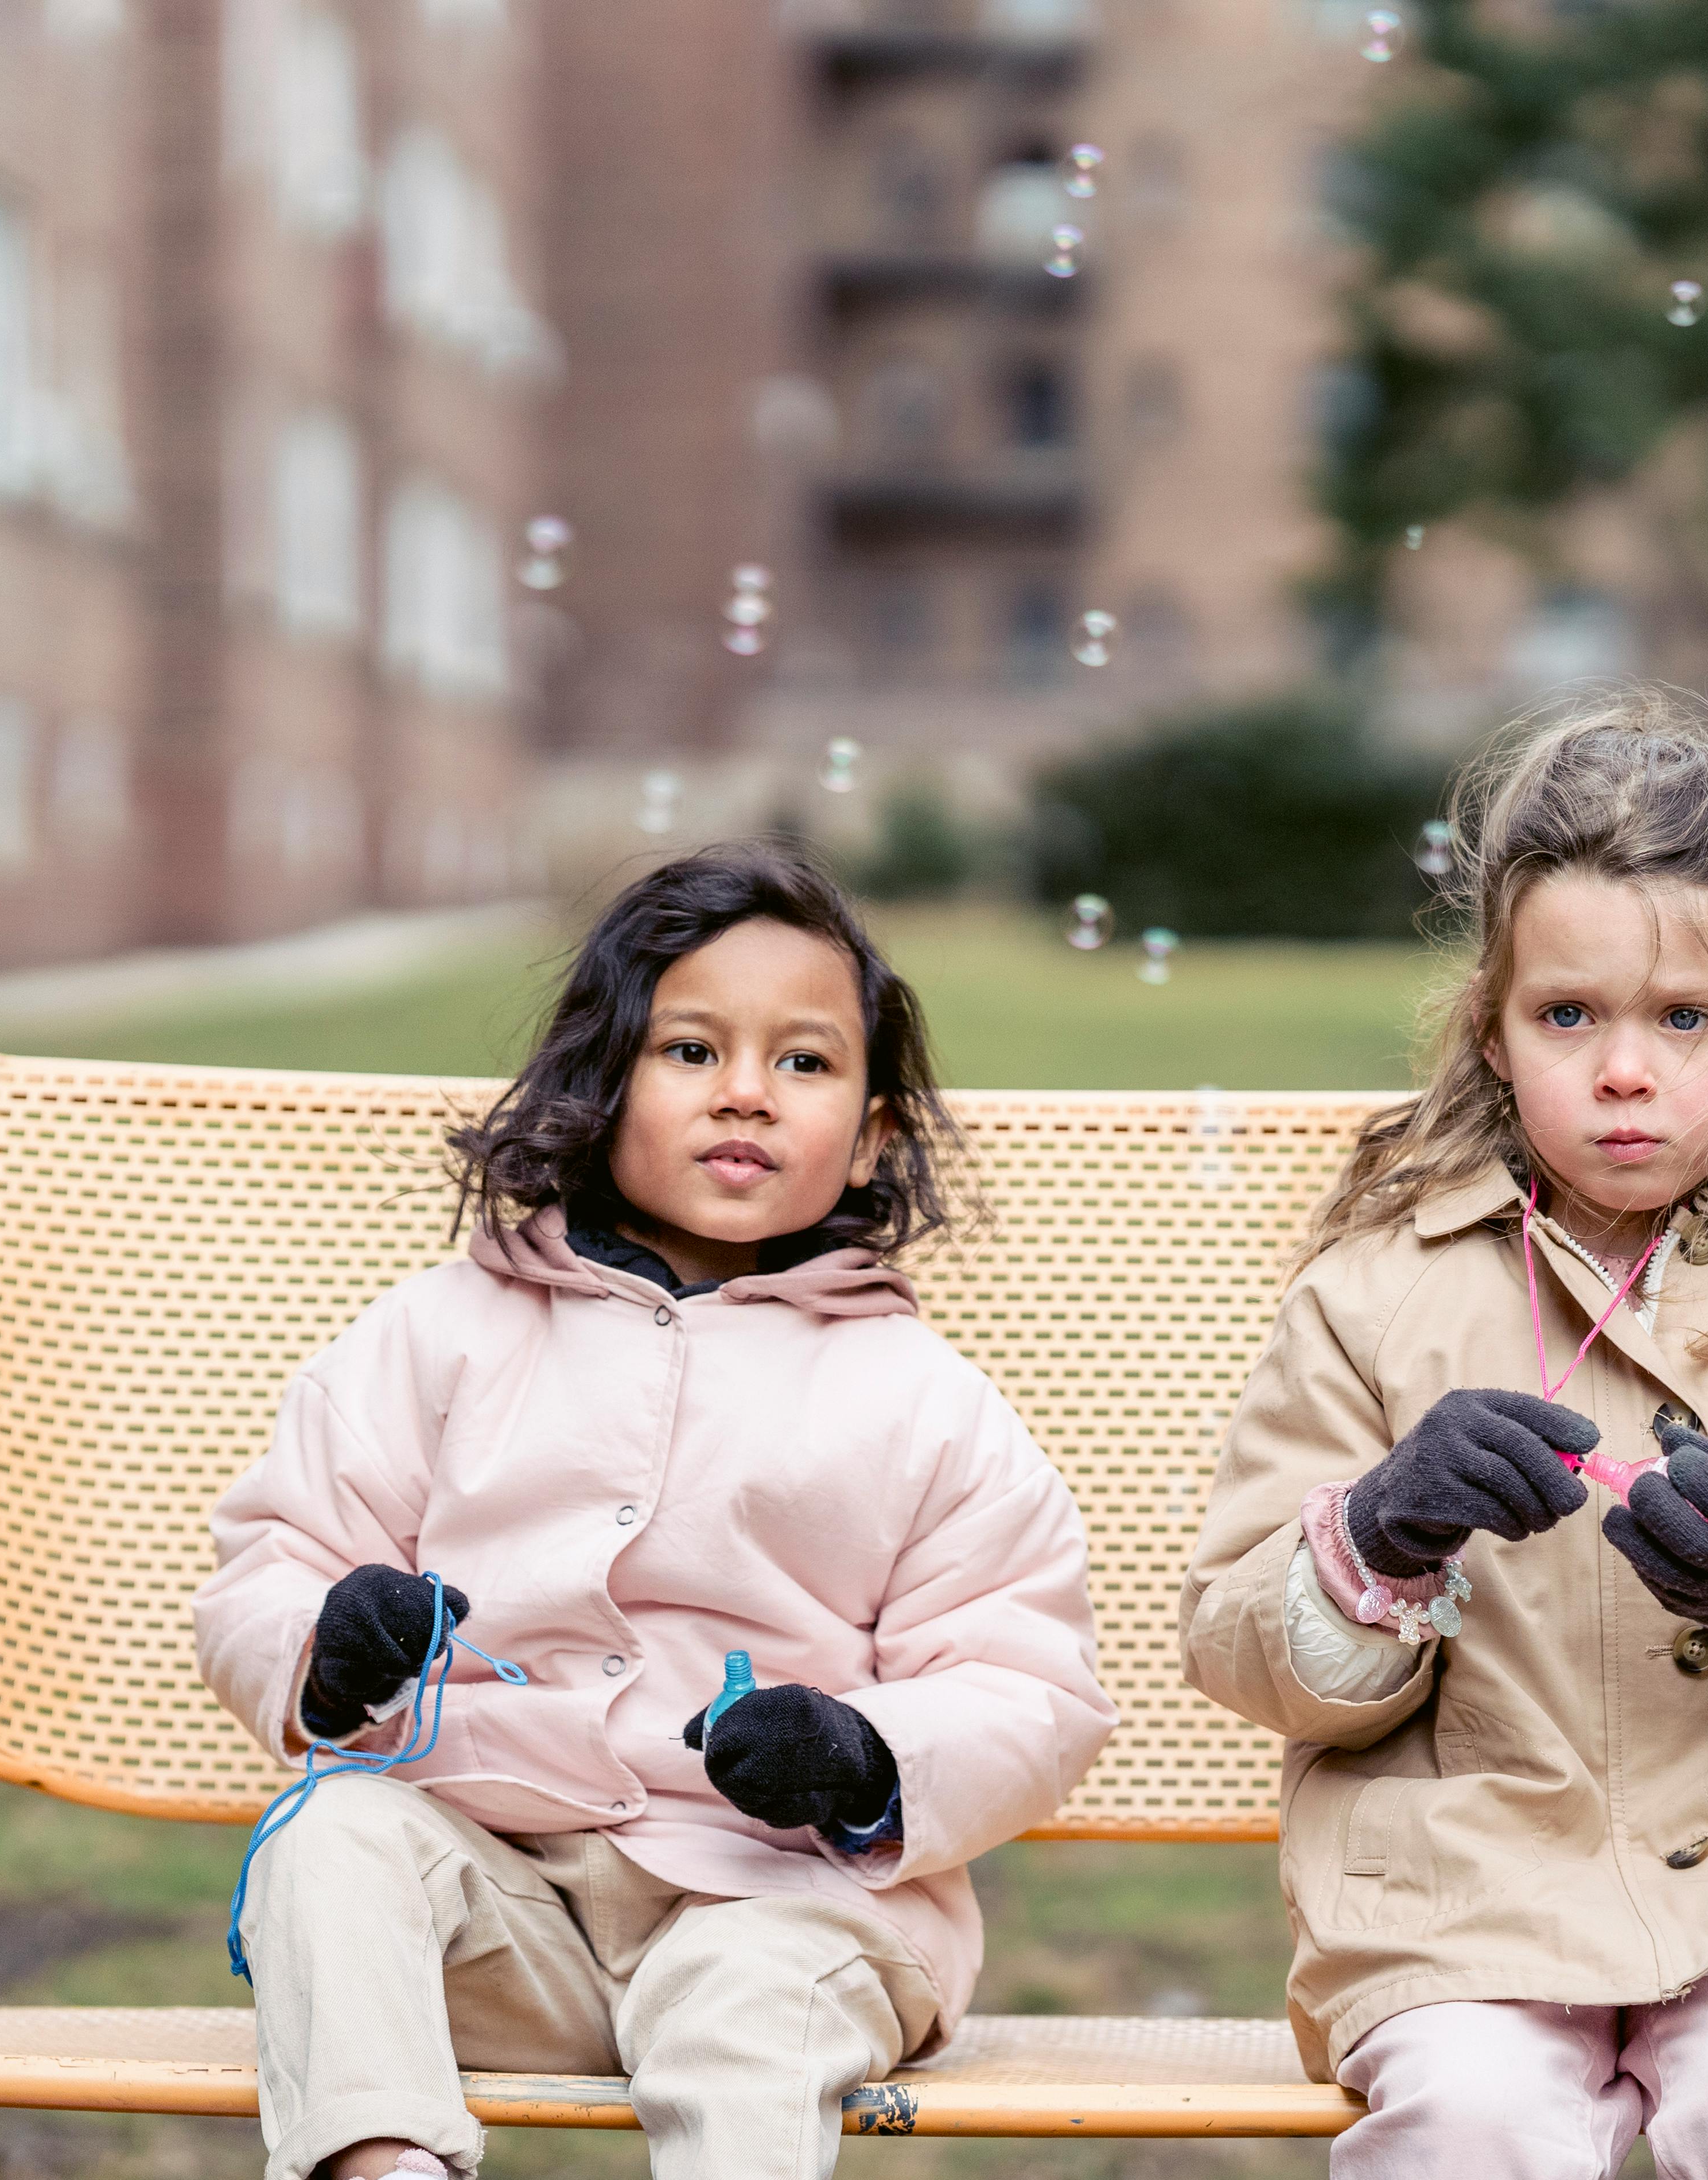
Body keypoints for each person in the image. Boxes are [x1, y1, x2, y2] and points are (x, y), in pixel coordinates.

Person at [1181, 688, 1708, 2179]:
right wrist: (1377, 1534)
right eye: (1566, 1015)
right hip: (1460, 1902)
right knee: (1467, 2119)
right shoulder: (1372, 1287)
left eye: (1683, 1019)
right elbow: (1237, 1643)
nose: (1622, 1069)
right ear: (1492, 1028)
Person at [196, 843, 1114, 2180]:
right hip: (501, 1902)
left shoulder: (920, 1398)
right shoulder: (440, 1332)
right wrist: (327, 1649)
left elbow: (1025, 1681)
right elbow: (272, 1561)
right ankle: (381, 2166)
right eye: (691, 1050)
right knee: (329, 1838)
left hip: (787, 1901)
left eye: (804, 1063)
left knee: (749, 1997)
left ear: (872, 1138)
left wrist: (866, 1756)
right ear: (600, 1083)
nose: (747, 1090)